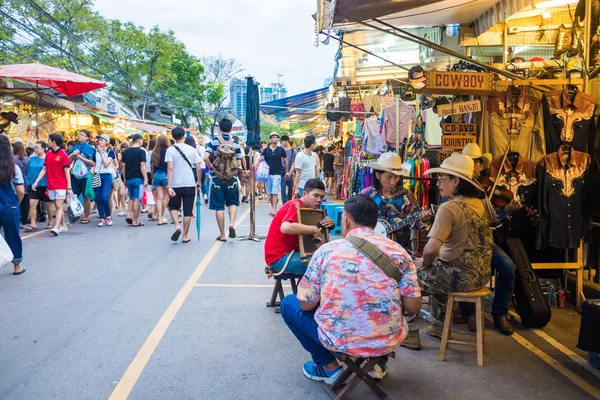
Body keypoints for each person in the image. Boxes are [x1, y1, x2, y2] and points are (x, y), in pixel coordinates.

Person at [280, 194, 421, 383]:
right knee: (384, 308)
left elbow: (306, 305)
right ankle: (377, 363)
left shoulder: (327, 251)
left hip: (338, 339)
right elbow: (413, 306)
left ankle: (329, 367)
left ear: (346, 220)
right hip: (387, 339)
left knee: (289, 304)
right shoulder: (399, 251)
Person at [415, 154, 494, 338]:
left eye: (442, 179)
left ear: (456, 181)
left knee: (407, 276)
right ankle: (438, 325)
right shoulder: (481, 205)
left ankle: (410, 332)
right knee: (438, 268)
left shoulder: (449, 208)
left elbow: (430, 249)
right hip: (480, 277)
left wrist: (424, 264)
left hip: (459, 279)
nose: (438, 184)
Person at [361, 152, 421, 349]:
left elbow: (417, 222)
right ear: (378, 175)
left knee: (403, 288)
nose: (393, 181)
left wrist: (422, 219)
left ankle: (409, 331)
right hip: (369, 253)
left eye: (396, 177)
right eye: (389, 176)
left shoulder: (406, 197)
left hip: (398, 251)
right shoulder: (366, 195)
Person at [462, 143, 516, 336]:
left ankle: (500, 313)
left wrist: (505, 212)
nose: (475, 166)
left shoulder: (487, 187)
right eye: (471, 162)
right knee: (466, 267)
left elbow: (492, 222)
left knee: (508, 267)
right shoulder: (457, 185)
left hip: (486, 242)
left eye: (477, 162)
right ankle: (469, 313)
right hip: (464, 243)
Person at [264, 179, 334, 276]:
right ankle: (308, 290)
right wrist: (312, 229)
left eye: (322, 197)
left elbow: (317, 235)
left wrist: (330, 225)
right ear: (304, 194)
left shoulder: (311, 209)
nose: (319, 200)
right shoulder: (294, 205)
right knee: (327, 266)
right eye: (315, 195)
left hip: (294, 252)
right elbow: (285, 227)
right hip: (279, 258)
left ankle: (307, 289)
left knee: (328, 260)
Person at [204, 118, 243, 242]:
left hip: (217, 178)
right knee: (232, 202)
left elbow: (205, 157)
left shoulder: (213, 142)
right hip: (232, 178)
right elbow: (238, 163)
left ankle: (222, 234)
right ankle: (232, 224)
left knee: (219, 206)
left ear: (219, 129)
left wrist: (212, 168)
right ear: (231, 129)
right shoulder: (235, 144)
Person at [32, 133, 72, 237]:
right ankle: (63, 225)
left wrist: (69, 187)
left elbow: (67, 172)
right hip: (51, 184)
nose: (48, 142)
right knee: (56, 205)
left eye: (49, 140)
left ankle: (56, 227)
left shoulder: (63, 155)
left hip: (61, 185)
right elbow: (44, 169)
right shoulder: (48, 155)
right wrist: (36, 182)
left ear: (53, 141)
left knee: (58, 205)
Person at [166, 126, 202, 243]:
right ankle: (185, 235)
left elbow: (170, 168)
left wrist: (169, 185)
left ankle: (177, 226)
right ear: (184, 136)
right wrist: (199, 181)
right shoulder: (192, 150)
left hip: (176, 184)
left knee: (173, 206)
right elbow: (198, 168)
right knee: (187, 210)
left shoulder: (170, 150)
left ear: (173, 137)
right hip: (189, 183)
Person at [0, 135, 26, 275]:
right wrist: (16, 203)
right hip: (10, 205)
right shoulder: (13, 168)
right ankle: (17, 266)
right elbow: (21, 191)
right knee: (12, 236)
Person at [67, 129, 96, 224]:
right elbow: (68, 161)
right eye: (79, 134)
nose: (80, 136)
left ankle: (86, 216)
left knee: (85, 196)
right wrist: (72, 155)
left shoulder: (89, 148)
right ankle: (77, 214)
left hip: (85, 175)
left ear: (87, 137)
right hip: (75, 175)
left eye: (82, 135)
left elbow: (93, 162)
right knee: (73, 195)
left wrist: (80, 157)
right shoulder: (75, 147)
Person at [25, 141, 54, 232]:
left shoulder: (47, 158)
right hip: (33, 185)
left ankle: (50, 221)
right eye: (35, 147)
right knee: (32, 204)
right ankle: (33, 223)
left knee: (48, 204)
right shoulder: (32, 158)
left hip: (44, 185)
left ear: (43, 148)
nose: (35, 149)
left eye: (37, 147)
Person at [121, 134, 147, 227]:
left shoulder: (125, 152)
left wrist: (124, 179)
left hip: (129, 178)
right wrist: (146, 179)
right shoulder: (141, 152)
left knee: (131, 197)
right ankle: (135, 221)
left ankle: (129, 214)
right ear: (139, 141)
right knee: (137, 199)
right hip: (138, 178)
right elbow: (142, 165)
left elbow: (123, 166)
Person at [263, 132, 288, 216]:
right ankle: (273, 207)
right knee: (269, 193)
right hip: (268, 174)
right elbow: (261, 160)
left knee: (275, 192)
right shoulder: (266, 150)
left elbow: (285, 161)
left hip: (277, 173)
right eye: (273, 137)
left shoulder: (281, 150)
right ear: (270, 139)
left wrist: (287, 172)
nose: (275, 139)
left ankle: (274, 209)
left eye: (276, 137)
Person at [94, 134, 116, 227]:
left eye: (102, 140)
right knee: (98, 197)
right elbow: (94, 163)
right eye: (99, 140)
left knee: (104, 196)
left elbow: (106, 163)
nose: (99, 141)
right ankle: (101, 218)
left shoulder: (110, 152)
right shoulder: (96, 152)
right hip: (97, 175)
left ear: (107, 142)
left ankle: (108, 216)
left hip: (107, 176)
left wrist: (101, 153)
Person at [151, 134, 170, 225]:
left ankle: (159, 218)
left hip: (156, 175)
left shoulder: (154, 151)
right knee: (165, 197)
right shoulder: (168, 151)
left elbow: (152, 166)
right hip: (166, 175)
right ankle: (161, 216)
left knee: (159, 198)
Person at [13, 141, 30, 227]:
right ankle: (25, 220)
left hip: (17, 182)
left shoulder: (13, 159)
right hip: (26, 181)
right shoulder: (27, 159)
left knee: (17, 201)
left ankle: (18, 220)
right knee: (25, 202)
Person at [280, 135, 296, 204]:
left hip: (291, 172)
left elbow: (295, 162)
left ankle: (289, 202)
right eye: (281, 142)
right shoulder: (280, 150)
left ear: (287, 141)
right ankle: (284, 203)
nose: (282, 143)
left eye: (283, 141)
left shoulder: (293, 151)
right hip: (282, 171)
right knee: (283, 189)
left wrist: (291, 172)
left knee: (290, 188)